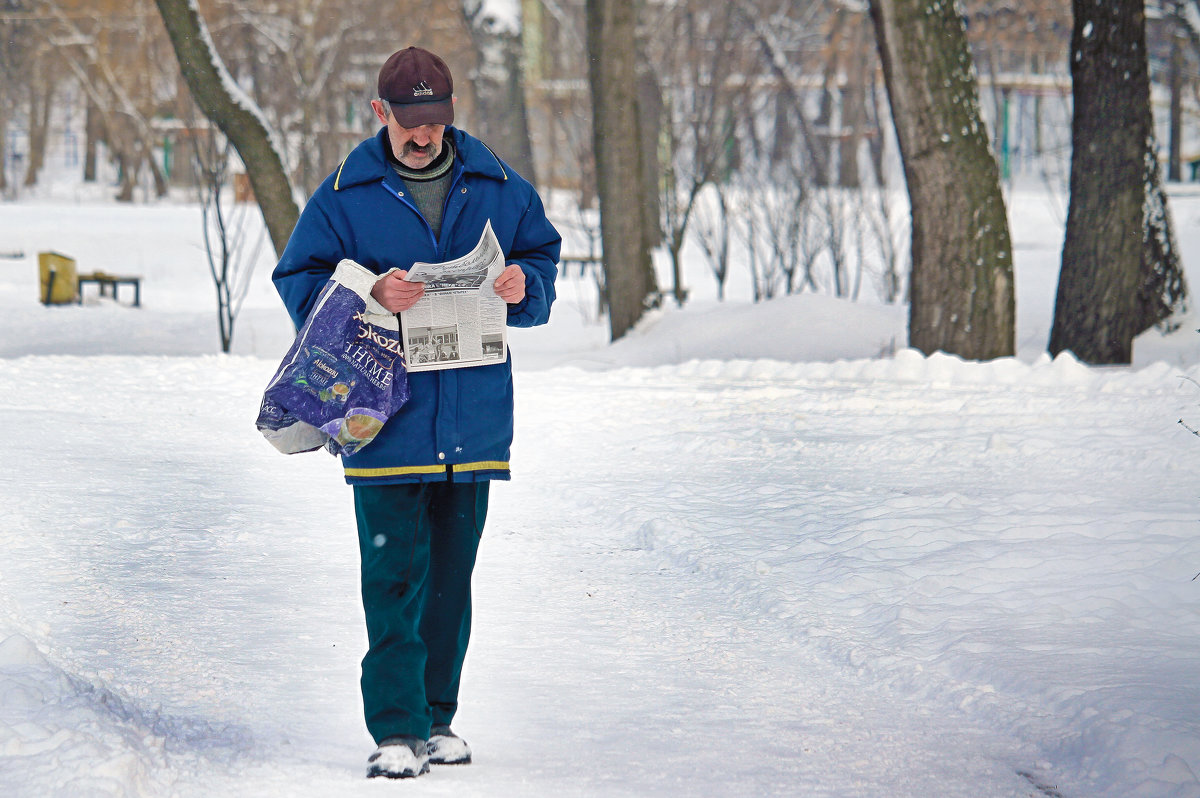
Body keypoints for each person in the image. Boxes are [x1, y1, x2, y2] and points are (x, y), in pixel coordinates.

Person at [271, 46, 560, 779]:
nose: (423, 136)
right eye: (409, 123)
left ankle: (438, 719)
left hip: (474, 419)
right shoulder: (345, 193)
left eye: (435, 122)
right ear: (380, 115)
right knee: (394, 576)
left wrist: (528, 286)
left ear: (451, 113)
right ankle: (396, 730)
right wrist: (369, 291)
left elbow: (543, 258)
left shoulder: (498, 182)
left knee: (451, 579)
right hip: (385, 419)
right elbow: (298, 277)